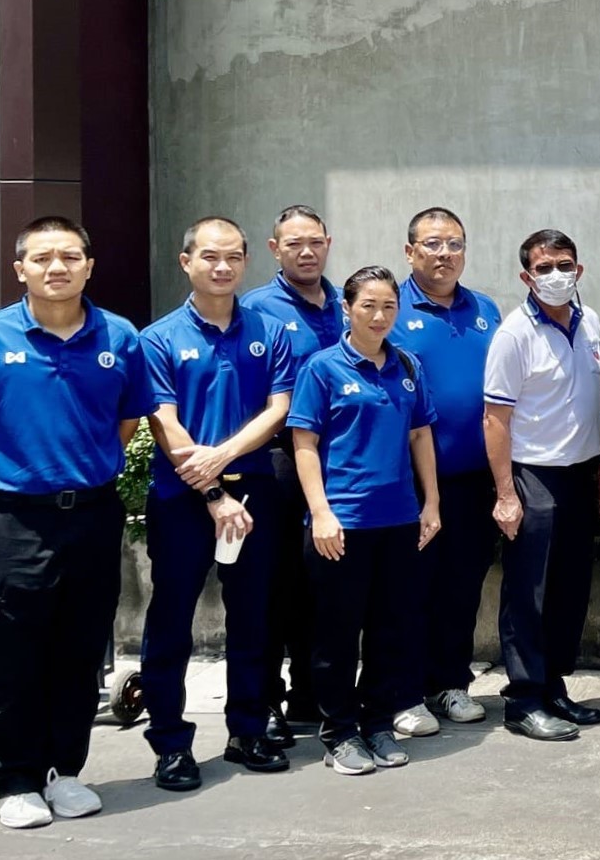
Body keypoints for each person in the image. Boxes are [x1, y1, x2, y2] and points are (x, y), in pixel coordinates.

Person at [0, 216, 152, 829]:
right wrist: (3, 473)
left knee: (80, 652)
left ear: (89, 266)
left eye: (71, 256)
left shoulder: (120, 337)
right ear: (20, 269)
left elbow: (126, 421)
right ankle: (18, 780)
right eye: (43, 257)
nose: (58, 267)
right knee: (12, 654)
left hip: (92, 515)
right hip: (10, 520)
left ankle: (65, 772)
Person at [136, 217, 296, 792]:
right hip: (182, 499)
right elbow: (164, 423)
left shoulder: (270, 331)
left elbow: (279, 409)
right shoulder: (158, 338)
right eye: (209, 256)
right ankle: (171, 745)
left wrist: (224, 456)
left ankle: (247, 729)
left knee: (253, 618)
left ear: (247, 261)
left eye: (232, 257)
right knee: (171, 622)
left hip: (254, 492)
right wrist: (210, 491)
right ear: (187, 262)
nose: (222, 267)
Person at [287, 266, 442, 775]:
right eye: (368, 306)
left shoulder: (407, 365)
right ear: (347, 309)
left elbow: (420, 435)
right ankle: (339, 733)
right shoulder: (322, 368)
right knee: (336, 635)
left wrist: (431, 503)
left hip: (398, 521)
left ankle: (377, 723)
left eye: (388, 307)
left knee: (388, 630)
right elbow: (304, 444)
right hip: (342, 524)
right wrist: (320, 512)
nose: (379, 316)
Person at [484, 229, 600, 741]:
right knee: (528, 592)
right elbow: (495, 419)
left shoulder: (590, 321)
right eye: (544, 267)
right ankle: (523, 700)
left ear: (579, 269)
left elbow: (595, 402)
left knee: (569, 590)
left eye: (565, 265)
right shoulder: (514, 334)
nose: (556, 275)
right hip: (533, 474)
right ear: (526, 276)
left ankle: (553, 686)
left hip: (580, 473)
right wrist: (506, 494)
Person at [386, 207, 503, 736]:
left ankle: (451, 683)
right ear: (410, 251)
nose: (444, 254)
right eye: (432, 244)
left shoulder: (485, 309)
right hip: (410, 482)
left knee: (462, 587)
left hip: (473, 478)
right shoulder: (391, 308)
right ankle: (404, 693)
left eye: (454, 244)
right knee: (409, 590)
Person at [238, 204, 346, 747]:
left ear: (328, 243)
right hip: (279, 461)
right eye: (294, 243)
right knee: (273, 585)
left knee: (323, 583)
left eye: (315, 242)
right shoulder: (256, 309)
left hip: (339, 462)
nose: (307, 252)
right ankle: (265, 701)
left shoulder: (346, 304)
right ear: (274, 249)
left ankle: (313, 693)